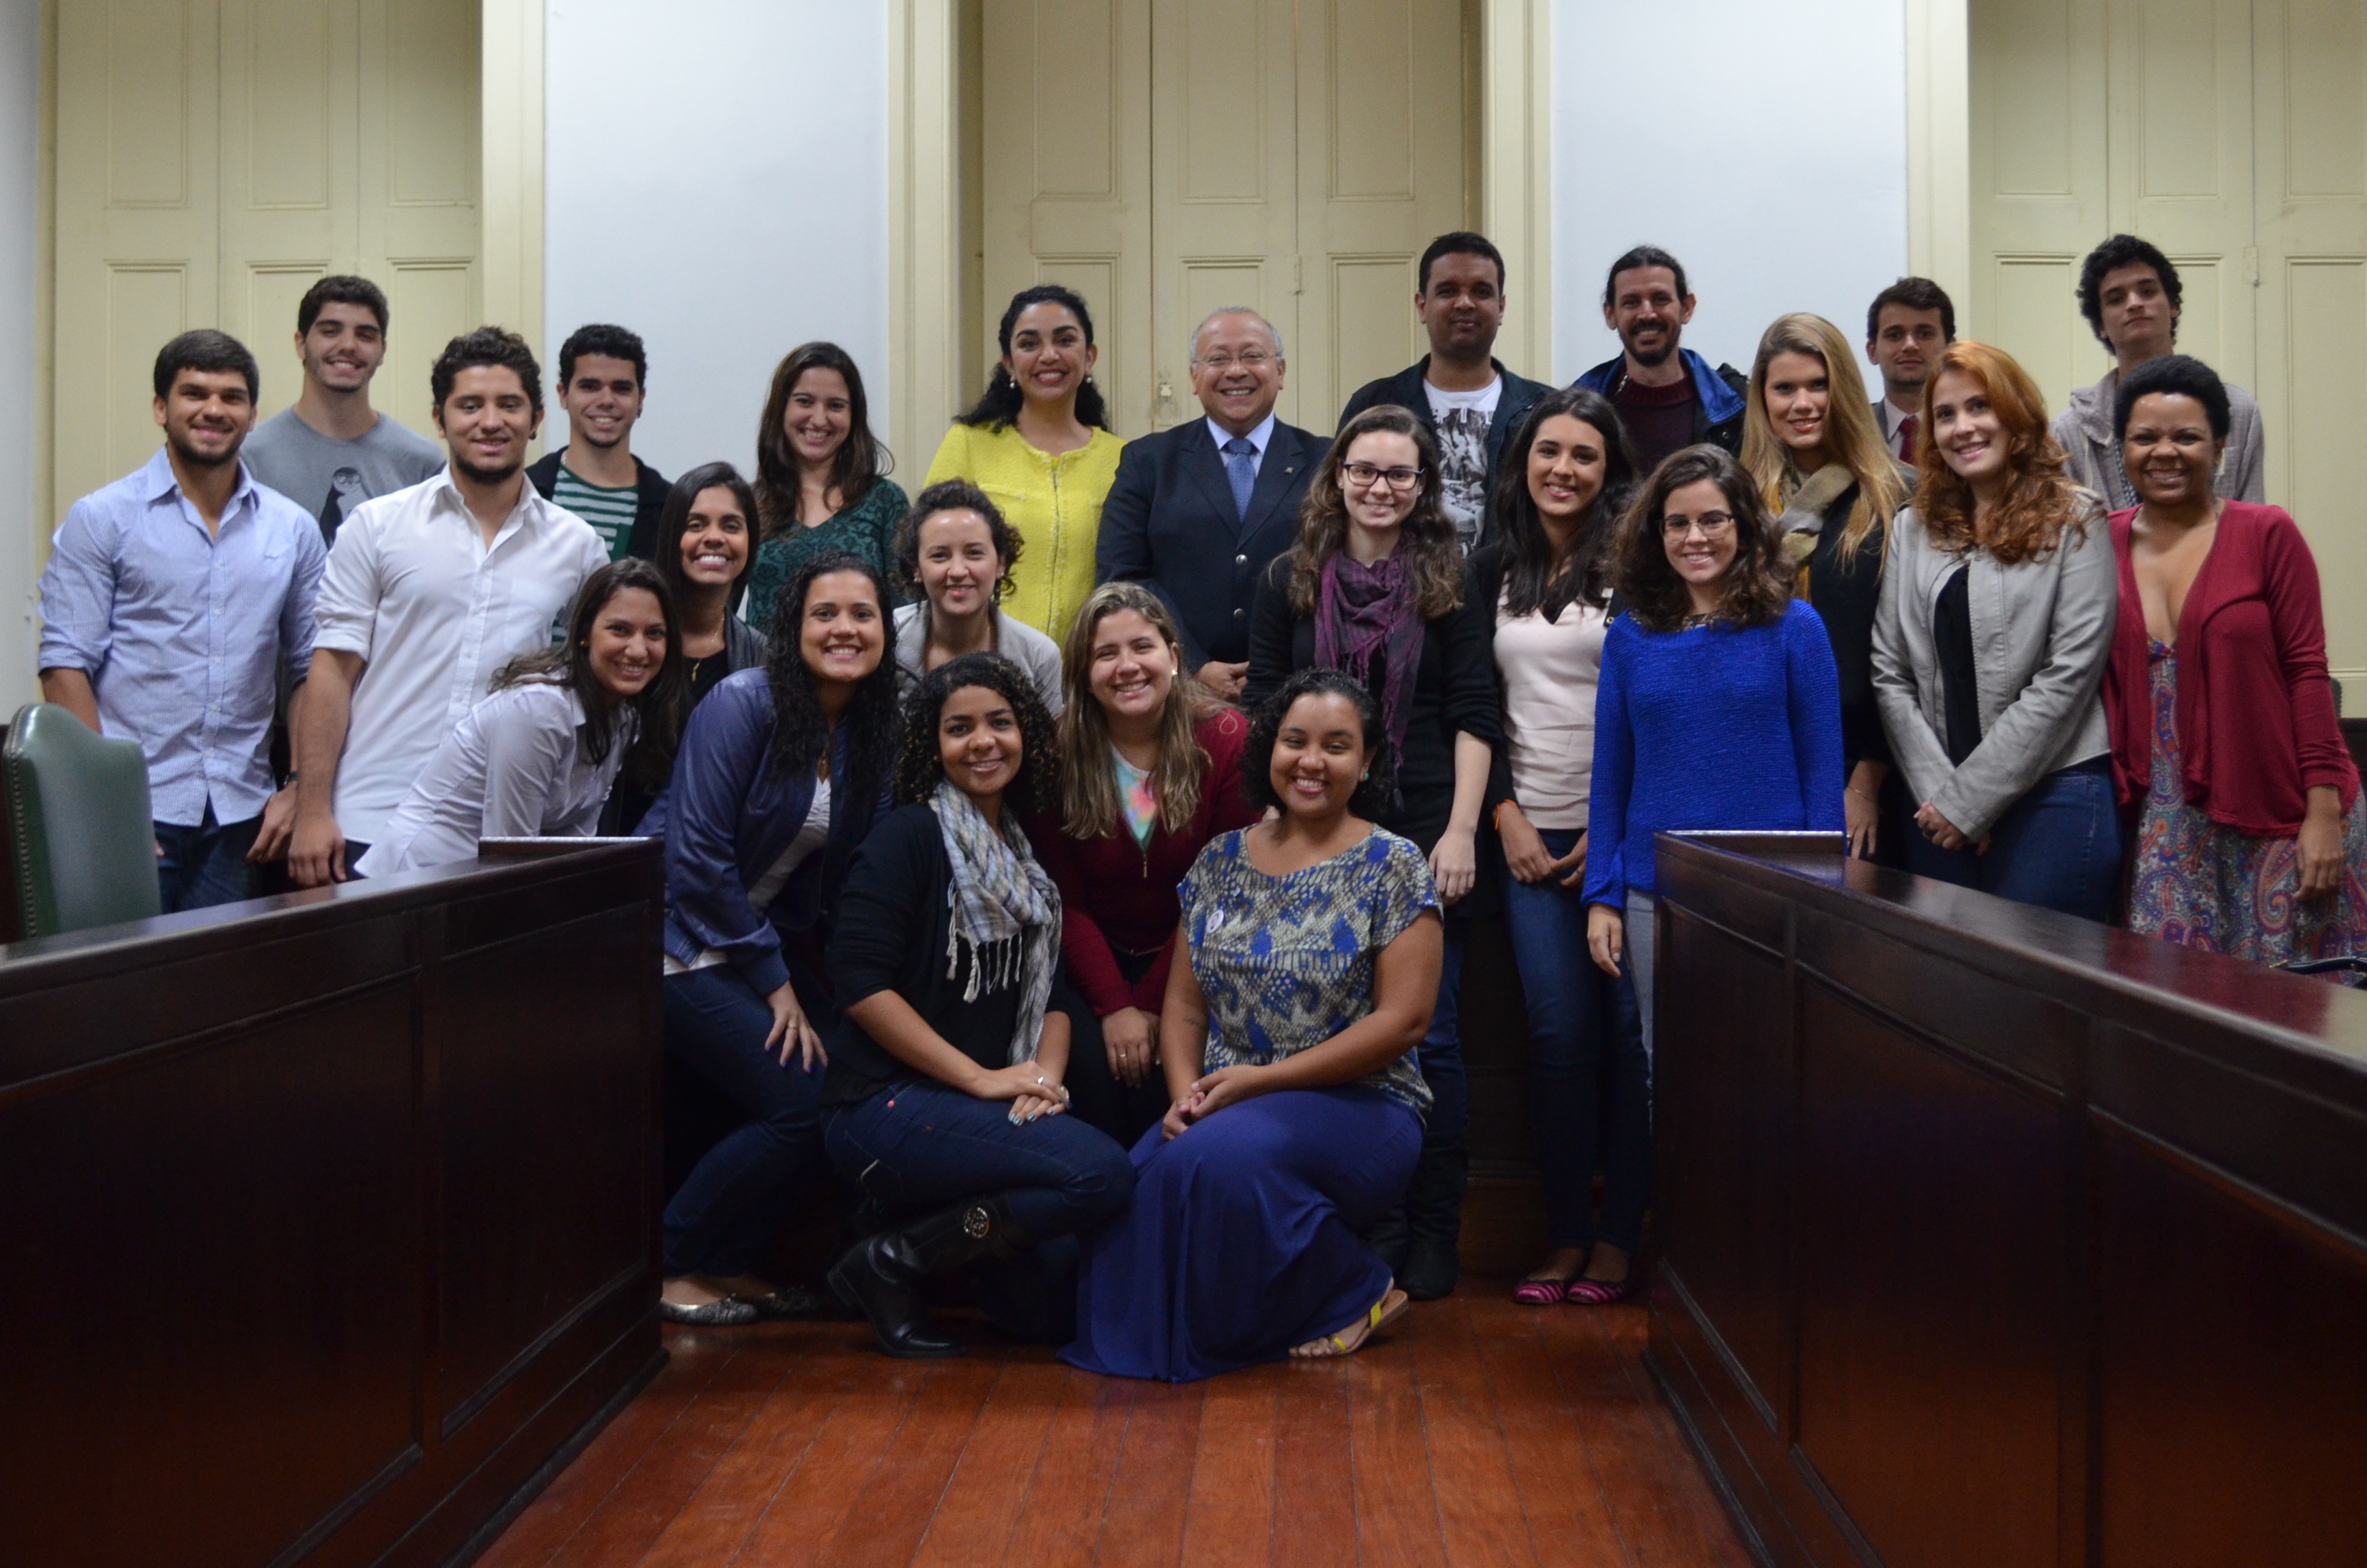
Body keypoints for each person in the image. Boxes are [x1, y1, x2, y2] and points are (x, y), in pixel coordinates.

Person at [1063, 669, 1441, 1381]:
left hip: (1364, 1103)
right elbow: (1181, 1005)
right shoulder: (1219, 859)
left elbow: (1404, 1020)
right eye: (1294, 740)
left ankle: (1356, 1286)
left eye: (1336, 746)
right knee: (1135, 1181)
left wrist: (1256, 1084)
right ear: (1269, 748)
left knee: (1218, 1162)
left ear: (1364, 764)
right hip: (1227, 1098)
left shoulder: (1394, 863)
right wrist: (1183, 1095)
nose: (1310, 760)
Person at [1243, 404, 1501, 1301]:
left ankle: (1432, 1226)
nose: (1380, 488)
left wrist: (1462, 830)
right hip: (1313, 831)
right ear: (1337, 477)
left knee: (1429, 1040)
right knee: (1328, 1036)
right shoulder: (1288, 576)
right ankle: (1364, 1222)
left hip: (1425, 831)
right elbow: (1273, 718)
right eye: (1365, 471)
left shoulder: (1449, 580)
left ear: (1423, 486)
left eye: (1399, 474)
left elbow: (1473, 712)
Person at [822, 653, 1134, 1358]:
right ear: (931, 745)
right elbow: (862, 987)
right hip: (884, 1107)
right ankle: (893, 1258)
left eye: (998, 722)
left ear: (1024, 732)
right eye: (958, 728)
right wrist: (982, 1079)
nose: (982, 741)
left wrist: (1042, 1080)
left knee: (1048, 1312)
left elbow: (1050, 992)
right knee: (1101, 1171)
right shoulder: (906, 838)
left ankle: (913, 1240)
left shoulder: (1020, 853)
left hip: (980, 1112)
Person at [646, 550, 904, 1325]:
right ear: (790, 627)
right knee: (800, 1094)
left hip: (754, 941)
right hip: (667, 937)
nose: (844, 629)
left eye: (862, 614)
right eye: (823, 613)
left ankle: (730, 1262)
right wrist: (773, 979)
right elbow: (690, 860)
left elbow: (865, 866)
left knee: (848, 1085)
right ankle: (669, 1260)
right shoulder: (742, 701)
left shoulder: (869, 729)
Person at [285, 327, 608, 884]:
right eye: (469, 405)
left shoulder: (577, 546)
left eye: (509, 405)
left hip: (494, 827)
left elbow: (595, 686)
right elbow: (333, 670)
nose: (490, 421)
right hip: (371, 817)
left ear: (535, 420)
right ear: (440, 419)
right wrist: (312, 809)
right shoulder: (377, 526)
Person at [1466, 387, 1651, 1307]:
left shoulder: (1638, 569)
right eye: (1548, 452)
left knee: (1628, 1036)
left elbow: (1649, 712)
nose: (1563, 469)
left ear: (1609, 470)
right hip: (1528, 839)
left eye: (1583, 455)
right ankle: (1564, 1234)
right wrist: (1501, 812)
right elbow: (1470, 709)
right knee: (1555, 1033)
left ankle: (1619, 1238)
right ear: (1523, 462)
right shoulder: (1489, 568)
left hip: (1618, 834)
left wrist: (1611, 832)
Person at [36, 329, 325, 912]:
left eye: (232, 397)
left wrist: (299, 787)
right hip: (136, 811)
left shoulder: (291, 530)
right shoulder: (104, 519)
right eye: (194, 393)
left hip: (243, 816)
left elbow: (310, 668)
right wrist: (109, 810)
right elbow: (64, 663)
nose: (214, 410)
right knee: (122, 988)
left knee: (220, 992)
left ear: (251, 415)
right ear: (161, 408)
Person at [2101, 354, 2367, 968]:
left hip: (2275, 812)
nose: (2164, 451)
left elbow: (2307, 672)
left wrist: (2321, 812)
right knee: (2178, 1017)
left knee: (2294, 1017)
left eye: (2186, 436)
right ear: (2122, 448)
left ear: (2219, 447)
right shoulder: (2097, 541)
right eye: (2145, 437)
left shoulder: (2266, 534)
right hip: (2162, 825)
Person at [1584, 445, 1845, 1049]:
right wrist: (1603, 894)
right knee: (1670, 1077)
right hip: (1657, 893)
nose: (1693, 537)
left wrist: (1824, 894)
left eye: (1712, 520)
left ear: (1744, 526)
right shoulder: (1628, 638)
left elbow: (1821, 769)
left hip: (1773, 893)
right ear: (1656, 534)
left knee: (1769, 1069)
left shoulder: (1794, 626)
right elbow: (1610, 777)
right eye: (1677, 523)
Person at [1873, 342, 2121, 920]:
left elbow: (2068, 675)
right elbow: (1889, 672)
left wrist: (1973, 801)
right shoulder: (1911, 528)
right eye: (1945, 414)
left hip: (2053, 798)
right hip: (1933, 805)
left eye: (1979, 406)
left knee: (2031, 997)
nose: (1962, 427)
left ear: (2013, 414)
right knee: (1947, 997)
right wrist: (1946, 799)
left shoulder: (2076, 517)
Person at [1026, 582, 1261, 1146]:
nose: (1126, 667)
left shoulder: (1226, 738)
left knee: (1174, 1091)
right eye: (1105, 654)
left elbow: (1217, 893)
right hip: (1089, 964)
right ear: (1083, 672)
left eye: (1142, 647)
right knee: (1096, 1086)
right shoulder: (1056, 753)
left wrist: (1153, 1004)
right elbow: (1064, 896)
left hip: (1199, 959)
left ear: (1174, 658)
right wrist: (1115, 1007)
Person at [354, 559, 682, 874]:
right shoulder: (539, 709)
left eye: (654, 634)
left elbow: (576, 841)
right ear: (584, 633)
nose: (638, 650)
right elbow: (510, 851)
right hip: (412, 884)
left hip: (477, 890)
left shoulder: (624, 719)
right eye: (620, 630)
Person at [1742, 313, 1910, 863]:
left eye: (1819, 385)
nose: (1803, 403)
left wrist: (1865, 781)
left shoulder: (1899, 495)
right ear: (1762, 399)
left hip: (1870, 765)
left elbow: (1913, 657)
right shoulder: (1736, 503)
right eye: (1784, 388)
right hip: (1763, 752)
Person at [1095, 307, 1321, 699]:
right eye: (1218, 359)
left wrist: (1277, 667)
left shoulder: (1325, 461)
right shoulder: (1147, 462)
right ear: (1194, 377)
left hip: (1298, 690)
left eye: (1252, 356)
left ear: (1280, 372)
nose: (1236, 371)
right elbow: (1123, 577)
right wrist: (1190, 665)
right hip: (1177, 697)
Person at [924, 285, 1122, 640]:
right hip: (985, 661)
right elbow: (929, 552)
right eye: (1029, 344)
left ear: (1090, 356)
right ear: (1009, 364)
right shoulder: (969, 444)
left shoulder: (1123, 459)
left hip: (1091, 672)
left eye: (1064, 341)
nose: (1048, 356)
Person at [1336, 232, 1550, 555]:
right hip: (1398, 598)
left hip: (1512, 597)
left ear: (1501, 307)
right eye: (1448, 291)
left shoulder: (1544, 410)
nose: (1465, 303)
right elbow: (1336, 510)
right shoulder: (1375, 405)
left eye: (1481, 292)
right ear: (1422, 306)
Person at [600, 463, 765, 834]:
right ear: (672, 536)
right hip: (615, 849)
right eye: (696, 525)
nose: (714, 537)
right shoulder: (632, 641)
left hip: (708, 852)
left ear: (750, 542)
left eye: (731, 526)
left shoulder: (760, 656)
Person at [2051, 235, 2266, 509]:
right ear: (2101, 324)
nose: (2134, 303)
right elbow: (2071, 538)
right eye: (2116, 299)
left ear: (2173, 306)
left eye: (2148, 291)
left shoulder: (2238, 410)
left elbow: (2253, 522)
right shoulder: (2071, 430)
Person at [242, 275, 445, 540]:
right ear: (301, 343)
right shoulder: (250, 458)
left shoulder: (422, 463)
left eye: (365, 336)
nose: (348, 346)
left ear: (382, 351)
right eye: (330, 331)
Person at [743, 342, 908, 633]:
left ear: (853, 416)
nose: (819, 419)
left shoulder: (886, 501)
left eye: (835, 406)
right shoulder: (747, 503)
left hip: (860, 673)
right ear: (781, 409)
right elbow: (716, 615)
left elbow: (905, 617)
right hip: (764, 674)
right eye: (805, 402)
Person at [891, 479, 1065, 715]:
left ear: (1000, 564)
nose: (958, 571)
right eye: (940, 556)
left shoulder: (1039, 657)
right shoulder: (884, 638)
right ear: (916, 568)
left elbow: (1046, 750)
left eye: (974, 553)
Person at [1575, 246, 1751, 473]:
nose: (1647, 314)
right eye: (1631, 302)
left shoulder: (1738, 405)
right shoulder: (1579, 406)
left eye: (1660, 299)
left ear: (1686, 308)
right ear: (1610, 314)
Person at [525, 323, 671, 562]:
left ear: (641, 399)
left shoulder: (671, 508)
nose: (606, 400)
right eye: (590, 387)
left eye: (621, 388)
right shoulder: (525, 492)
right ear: (563, 395)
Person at [1864, 277, 1956, 464]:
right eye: (1895, 335)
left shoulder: (1971, 431)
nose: (1910, 345)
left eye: (1924, 334)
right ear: (1873, 352)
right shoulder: (1851, 433)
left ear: (1950, 349)